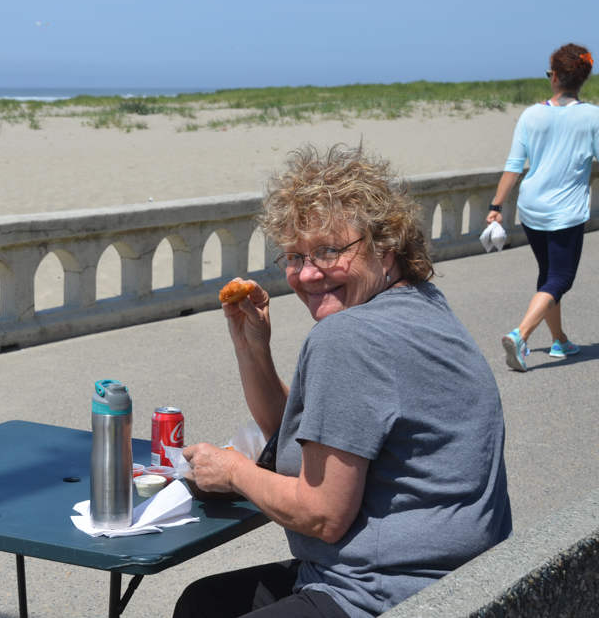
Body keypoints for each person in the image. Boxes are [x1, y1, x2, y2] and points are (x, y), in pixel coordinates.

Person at [176, 145, 512, 618]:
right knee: (204, 601)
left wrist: (233, 471)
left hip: (387, 592)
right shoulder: (423, 306)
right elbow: (317, 431)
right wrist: (252, 347)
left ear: (384, 246)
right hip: (464, 575)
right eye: (295, 256)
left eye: (329, 251)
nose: (308, 273)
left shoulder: (348, 335)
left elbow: (322, 515)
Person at [487, 43, 598, 372]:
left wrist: (496, 205)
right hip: (565, 212)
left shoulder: (531, 114)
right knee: (561, 278)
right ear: (582, 79)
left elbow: (513, 165)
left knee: (549, 275)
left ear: (554, 78)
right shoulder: (592, 116)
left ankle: (560, 340)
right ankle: (520, 334)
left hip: (532, 209)